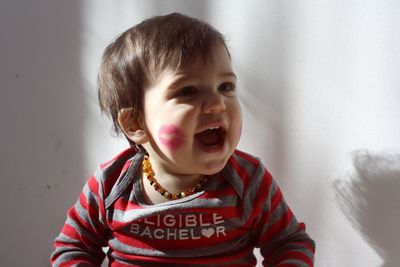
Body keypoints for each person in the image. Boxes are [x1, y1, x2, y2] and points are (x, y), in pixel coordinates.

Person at [51, 13, 315, 267]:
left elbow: (290, 244)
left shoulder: (248, 182)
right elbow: (73, 247)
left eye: (226, 87)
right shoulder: (110, 185)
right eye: (187, 91)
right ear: (135, 123)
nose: (216, 103)